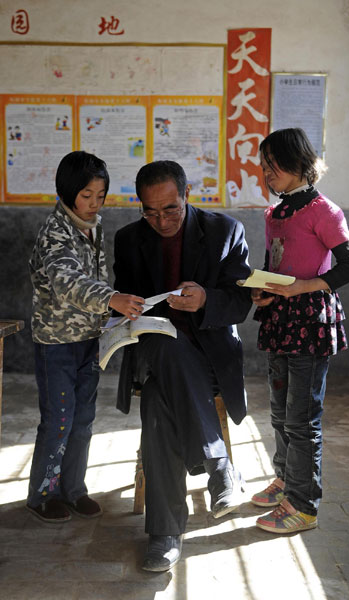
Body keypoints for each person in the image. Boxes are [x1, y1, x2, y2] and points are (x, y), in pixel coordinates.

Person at [113, 160, 252, 571]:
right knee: (165, 348)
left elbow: (241, 302)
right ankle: (218, 465)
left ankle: (164, 535)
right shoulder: (128, 239)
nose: (161, 220)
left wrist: (206, 299)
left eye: (170, 209)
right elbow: (125, 299)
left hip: (208, 359)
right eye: (150, 211)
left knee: (157, 403)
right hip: (155, 353)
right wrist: (126, 307)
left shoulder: (225, 231)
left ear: (186, 193)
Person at [250, 128, 349, 534]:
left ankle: (304, 505)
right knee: (280, 413)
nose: (266, 173)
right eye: (263, 167)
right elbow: (275, 268)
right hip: (280, 321)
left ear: (299, 163)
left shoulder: (324, 211)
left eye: (272, 165)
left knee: (303, 418)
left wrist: (302, 287)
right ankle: (286, 481)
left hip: (312, 323)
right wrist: (265, 292)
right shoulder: (274, 214)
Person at [26, 151, 144, 523]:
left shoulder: (92, 225)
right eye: (87, 196)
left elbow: (95, 274)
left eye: (100, 196)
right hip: (56, 344)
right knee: (59, 419)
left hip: (90, 339)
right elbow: (67, 282)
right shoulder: (55, 233)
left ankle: (73, 490)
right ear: (67, 192)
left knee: (84, 419)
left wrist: (108, 316)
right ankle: (42, 495)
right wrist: (111, 299)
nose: (94, 204)